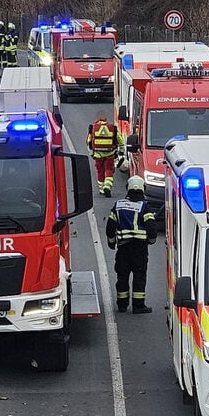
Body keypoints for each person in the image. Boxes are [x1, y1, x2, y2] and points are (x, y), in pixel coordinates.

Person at [106, 176, 157, 314]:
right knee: (139, 276)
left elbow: (110, 226)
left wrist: (111, 242)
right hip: (140, 249)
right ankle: (138, 305)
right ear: (142, 188)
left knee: (122, 275)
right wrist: (151, 240)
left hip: (123, 248)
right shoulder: (145, 207)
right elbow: (151, 228)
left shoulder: (118, 205)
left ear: (127, 188)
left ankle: (122, 305)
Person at [86, 111, 124, 197]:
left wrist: (91, 153)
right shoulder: (112, 128)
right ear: (106, 119)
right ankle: (108, 186)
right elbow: (120, 139)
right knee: (109, 170)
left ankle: (101, 189)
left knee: (100, 172)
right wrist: (121, 149)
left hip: (98, 155)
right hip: (110, 154)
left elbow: (88, 141)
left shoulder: (93, 128)